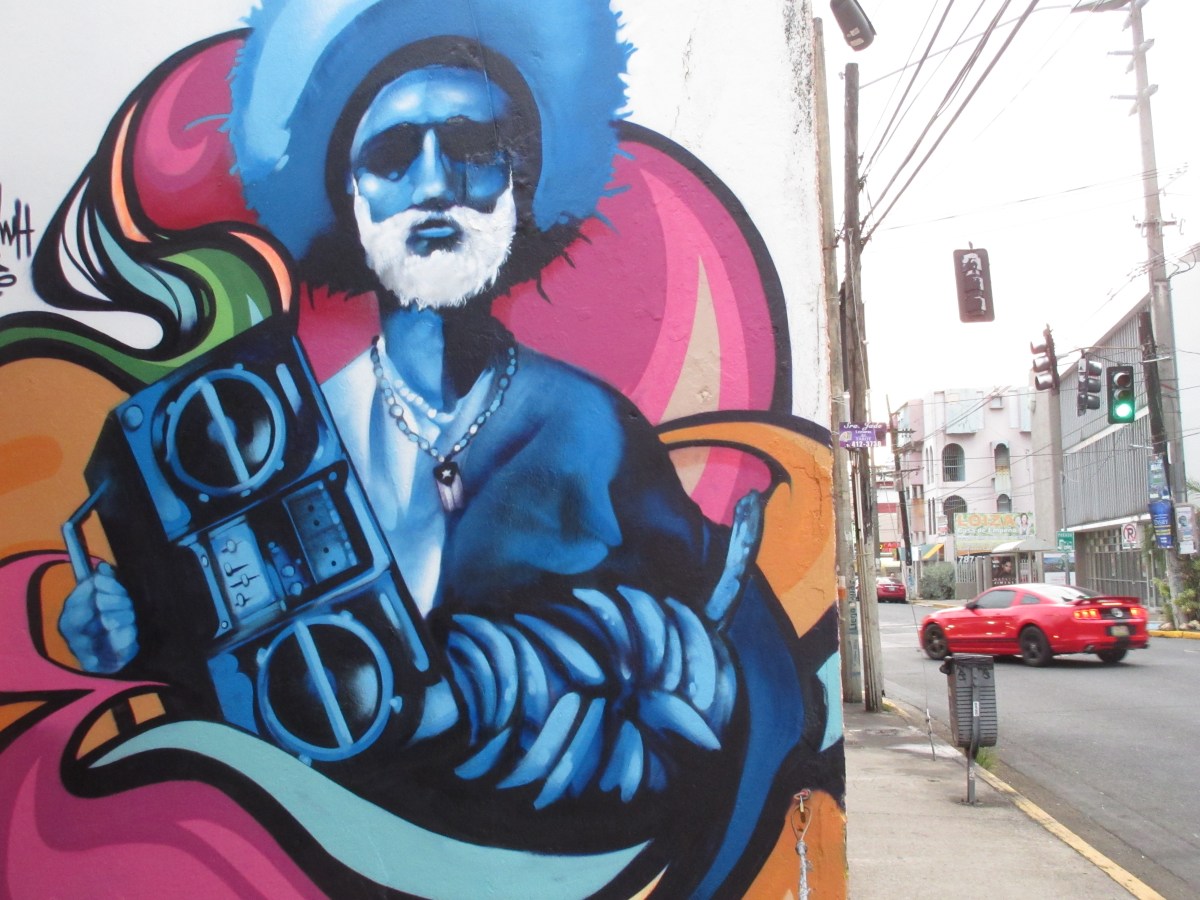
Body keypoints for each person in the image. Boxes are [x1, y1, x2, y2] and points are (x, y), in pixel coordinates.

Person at [51, 3, 814, 895]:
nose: (433, 182)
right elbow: (231, 682)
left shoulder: (594, 431)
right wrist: (127, 637)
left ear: (520, 183)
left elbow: (724, 652)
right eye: (389, 155)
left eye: (472, 146)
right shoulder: (285, 430)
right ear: (348, 198)